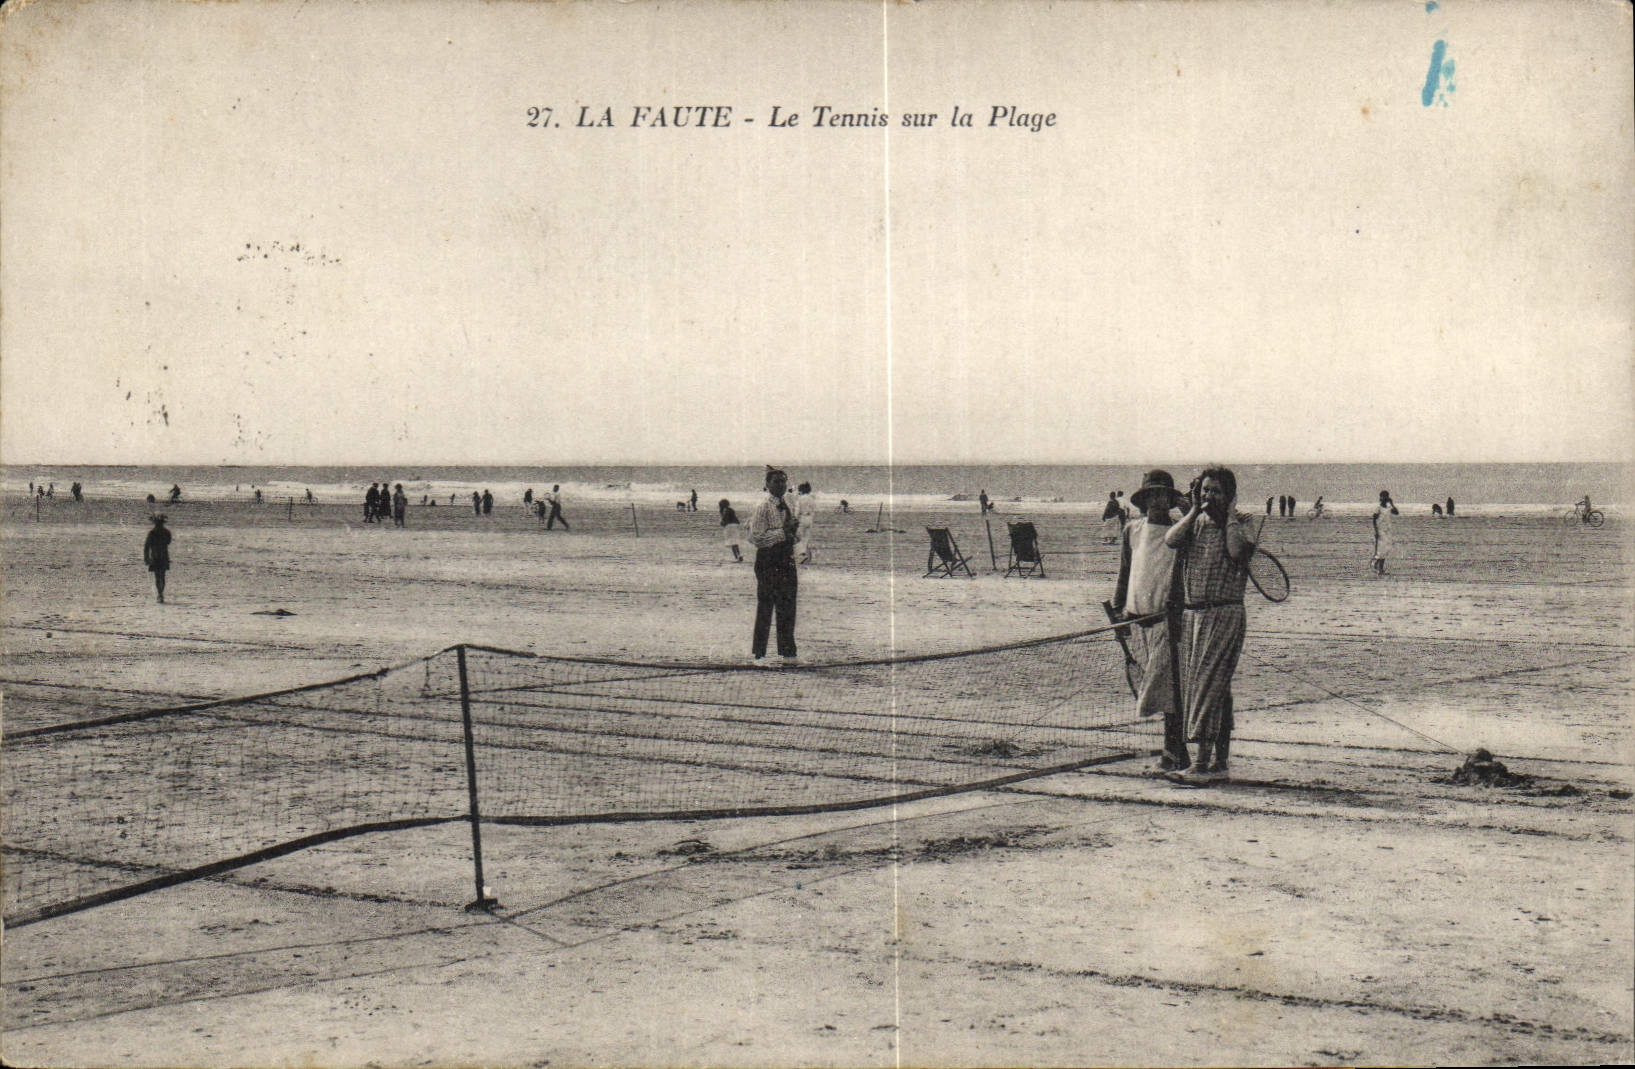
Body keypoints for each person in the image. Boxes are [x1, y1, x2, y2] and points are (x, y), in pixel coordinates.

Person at [1165, 466, 1256, 783]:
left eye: (1216, 491)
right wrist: (1193, 511)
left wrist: (1229, 515)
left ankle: (1202, 766)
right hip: (1195, 614)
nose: (1209, 496)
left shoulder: (1243, 521)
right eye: (1205, 490)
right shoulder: (1194, 522)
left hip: (1224, 613)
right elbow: (1171, 540)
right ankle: (1219, 763)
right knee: (1213, 689)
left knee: (1208, 685)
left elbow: (1237, 551)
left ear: (1229, 495)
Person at [1111, 470, 1187, 773]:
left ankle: (1175, 752)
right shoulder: (1132, 530)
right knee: (1159, 690)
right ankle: (1174, 751)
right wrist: (1118, 611)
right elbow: (1125, 572)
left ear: (1171, 500)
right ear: (1144, 500)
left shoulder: (1180, 533)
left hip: (1167, 621)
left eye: (1163, 495)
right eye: (1151, 495)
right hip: (1136, 620)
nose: (1157, 500)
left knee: (1168, 690)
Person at [747, 467, 800, 666]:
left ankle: (788, 653)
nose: (780, 485)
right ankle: (759, 655)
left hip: (786, 558)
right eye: (776, 481)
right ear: (767, 484)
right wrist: (782, 533)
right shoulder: (763, 506)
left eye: (783, 481)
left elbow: (793, 534)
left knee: (788, 605)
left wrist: (793, 534)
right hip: (768, 559)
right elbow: (756, 538)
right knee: (766, 606)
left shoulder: (788, 504)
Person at [143, 515, 172, 603]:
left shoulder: (152, 533)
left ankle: (160, 594)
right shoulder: (166, 532)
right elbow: (168, 542)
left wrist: (147, 558)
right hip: (163, 556)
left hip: (155, 557)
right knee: (162, 576)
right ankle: (160, 593)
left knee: (157, 577)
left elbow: (147, 547)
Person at [1371, 490, 1399, 575]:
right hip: (1380, 530)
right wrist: (1376, 531)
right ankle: (1378, 567)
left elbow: (1396, 512)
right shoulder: (1378, 508)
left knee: (1386, 549)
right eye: (1383, 496)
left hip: (1387, 530)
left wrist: (1392, 504)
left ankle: (1378, 566)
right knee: (1381, 549)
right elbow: (1374, 519)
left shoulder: (1389, 507)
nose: (1384, 498)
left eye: (1386, 496)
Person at [790, 481, 816, 563]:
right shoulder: (812, 499)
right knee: (806, 538)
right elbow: (813, 510)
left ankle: (801, 554)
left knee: (799, 537)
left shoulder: (800, 499)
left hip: (802, 518)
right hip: (810, 518)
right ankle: (804, 553)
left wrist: (794, 519)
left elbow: (797, 511)